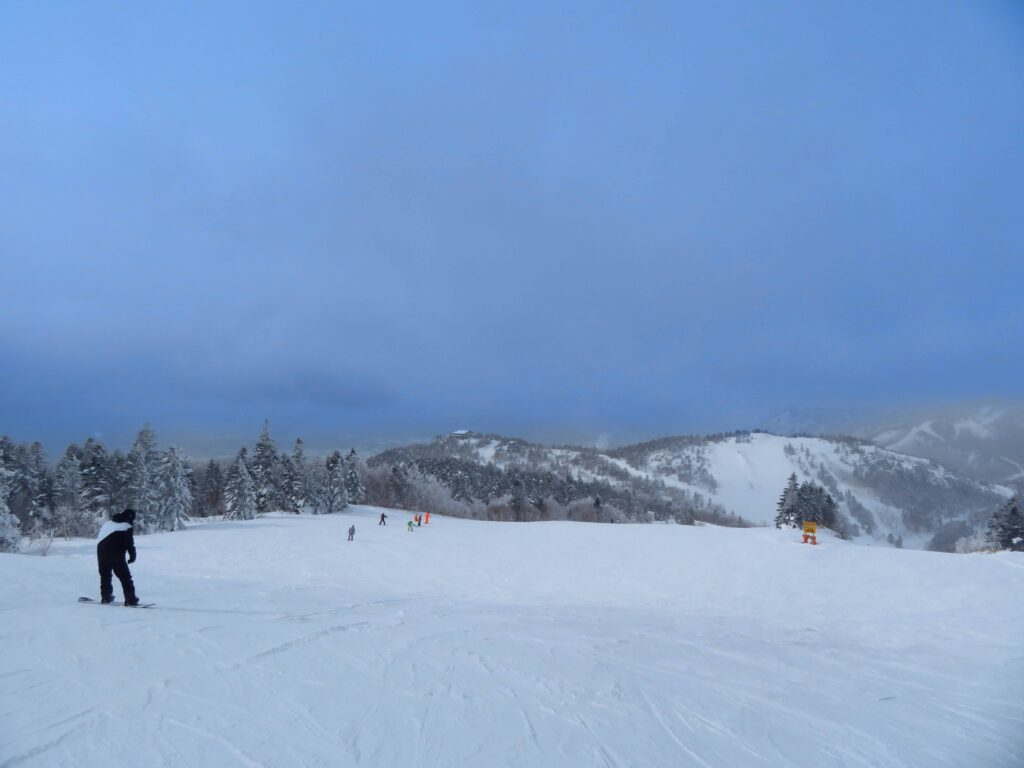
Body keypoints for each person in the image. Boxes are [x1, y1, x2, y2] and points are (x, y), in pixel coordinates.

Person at [96, 509, 140, 606]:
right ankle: (130, 599)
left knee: (105, 577)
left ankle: (106, 597)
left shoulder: (107, 524)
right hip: (116, 556)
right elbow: (129, 544)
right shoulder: (126, 526)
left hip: (101, 554)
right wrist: (133, 556)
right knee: (125, 578)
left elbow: (99, 539)